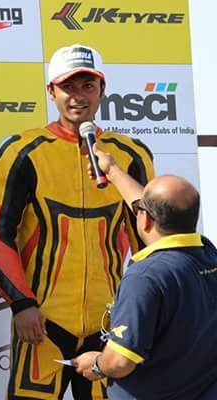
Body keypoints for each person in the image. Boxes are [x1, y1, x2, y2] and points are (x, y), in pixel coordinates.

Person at [0, 44, 155, 399]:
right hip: (42, 323)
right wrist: (22, 304)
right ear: (51, 91)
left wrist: (142, 314)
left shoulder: (130, 155)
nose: (78, 96)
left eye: (88, 86)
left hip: (109, 326)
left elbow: (149, 244)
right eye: (68, 87)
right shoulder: (23, 152)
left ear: (102, 89)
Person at [72, 151, 217, 400]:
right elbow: (155, 207)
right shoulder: (207, 253)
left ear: (146, 219)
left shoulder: (145, 277)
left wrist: (96, 364)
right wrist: (113, 170)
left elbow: (120, 361)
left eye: (140, 209)